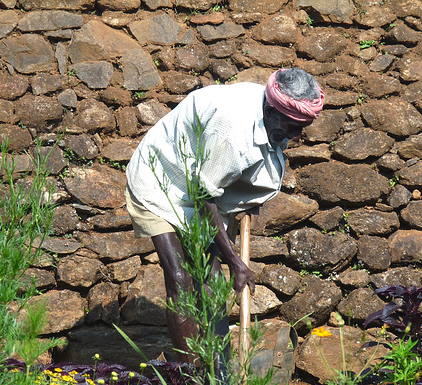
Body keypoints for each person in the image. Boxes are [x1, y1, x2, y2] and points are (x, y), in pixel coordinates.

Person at [125, 68, 324, 364]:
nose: (296, 134)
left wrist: (249, 199)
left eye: (303, 126)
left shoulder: (272, 112)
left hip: (200, 182)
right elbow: (205, 194)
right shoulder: (232, 130)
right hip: (161, 179)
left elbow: (241, 168)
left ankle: (219, 378)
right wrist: (234, 261)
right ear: (271, 110)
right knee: (180, 278)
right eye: (293, 125)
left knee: (212, 283)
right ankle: (189, 381)